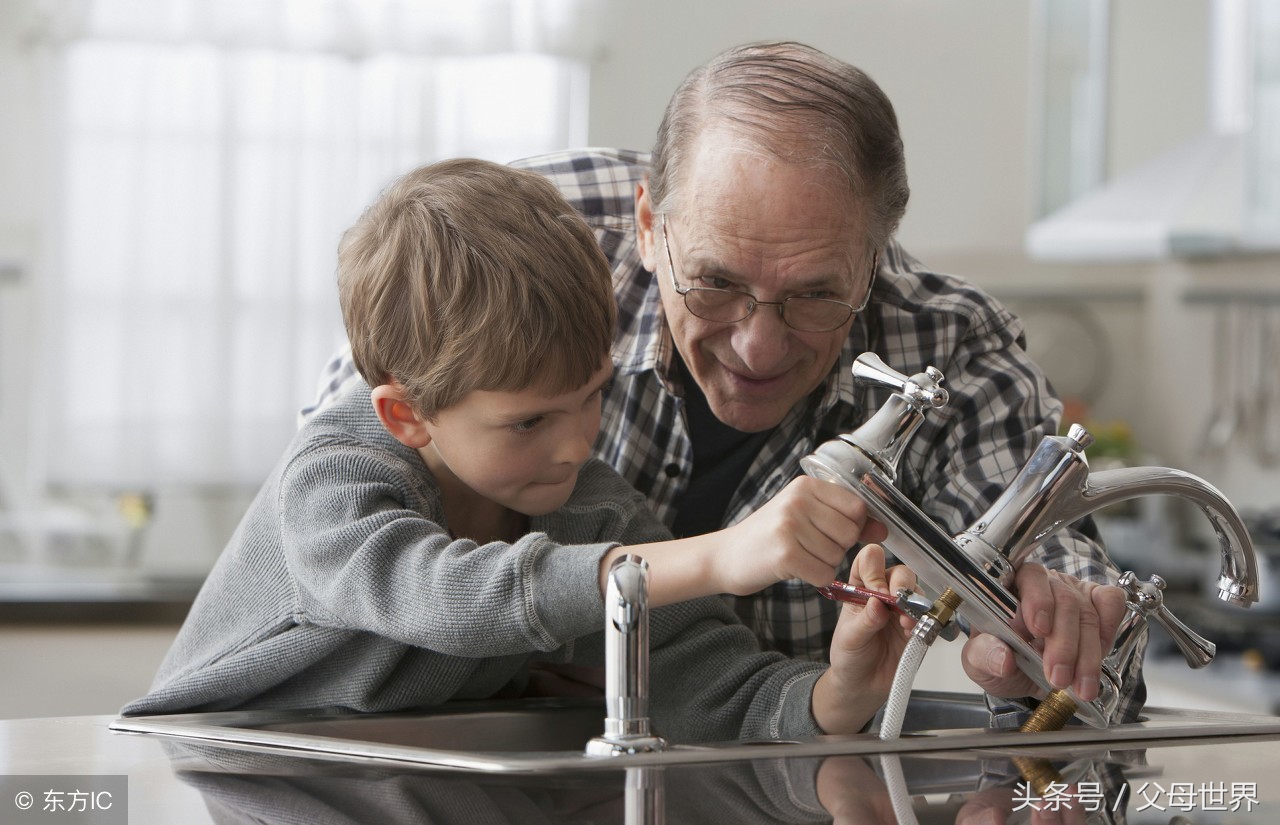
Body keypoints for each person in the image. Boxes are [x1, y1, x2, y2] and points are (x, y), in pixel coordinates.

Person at [302, 42, 1143, 722]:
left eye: (816, 293)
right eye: (715, 282)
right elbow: (347, 522)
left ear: (875, 257)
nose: (757, 342)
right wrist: (714, 561)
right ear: (644, 226)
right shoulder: (516, 250)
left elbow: (1063, 599)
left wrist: (1051, 634)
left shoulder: (951, 349)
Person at [122, 158, 915, 742]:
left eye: (593, 394)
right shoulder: (334, 476)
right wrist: (716, 556)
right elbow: (449, 596)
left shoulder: (580, 498)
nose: (577, 443)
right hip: (204, 768)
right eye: (530, 421)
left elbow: (703, 677)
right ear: (407, 415)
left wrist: (838, 694)